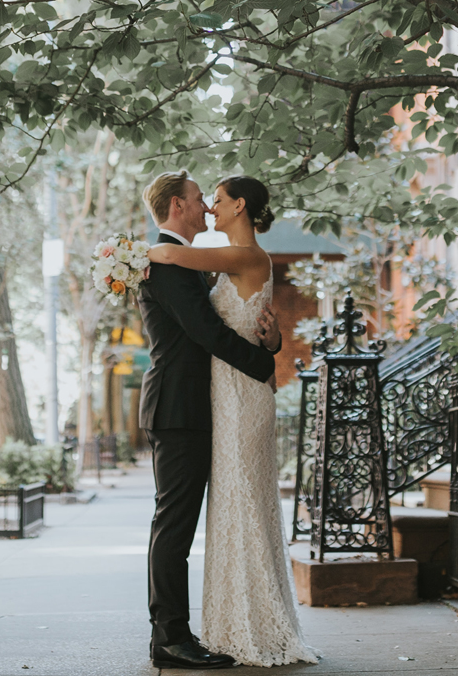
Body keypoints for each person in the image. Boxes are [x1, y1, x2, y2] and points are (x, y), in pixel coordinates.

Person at [146, 175, 319, 668]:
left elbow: (204, 300)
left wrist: (272, 349)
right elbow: (206, 330)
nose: (208, 208)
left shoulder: (227, 258)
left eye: (215, 200)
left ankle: (241, 624)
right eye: (203, 200)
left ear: (239, 205)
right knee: (195, 521)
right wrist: (268, 358)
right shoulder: (187, 260)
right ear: (179, 205)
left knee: (236, 510)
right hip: (194, 405)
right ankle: (181, 636)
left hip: (233, 403)